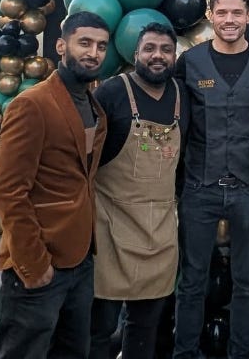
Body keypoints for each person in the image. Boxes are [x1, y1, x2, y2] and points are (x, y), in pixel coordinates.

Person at [0, 12, 111, 359]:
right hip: (39, 264)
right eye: (84, 43)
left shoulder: (94, 107)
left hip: (80, 261)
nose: (93, 53)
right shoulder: (31, 105)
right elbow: (8, 192)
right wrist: (34, 265)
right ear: (61, 46)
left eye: (101, 46)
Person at [174, 0, 249, 359]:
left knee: (247, 280)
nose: (229, 19)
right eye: (222, 12)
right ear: (210, 15)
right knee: (192, 281)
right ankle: (185, 353)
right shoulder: (189, 63)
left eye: (237, 12)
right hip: (199, 187)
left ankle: (242, 352)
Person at [90, 22, 182, 359]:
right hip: (111, 229)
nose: (158, 56)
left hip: (160, 232)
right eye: (149, 49)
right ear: (135, 54)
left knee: (145, 327)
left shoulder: (181, 96)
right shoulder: (111, 93)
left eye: (166, 50)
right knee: (98, 329)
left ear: (175, 56)